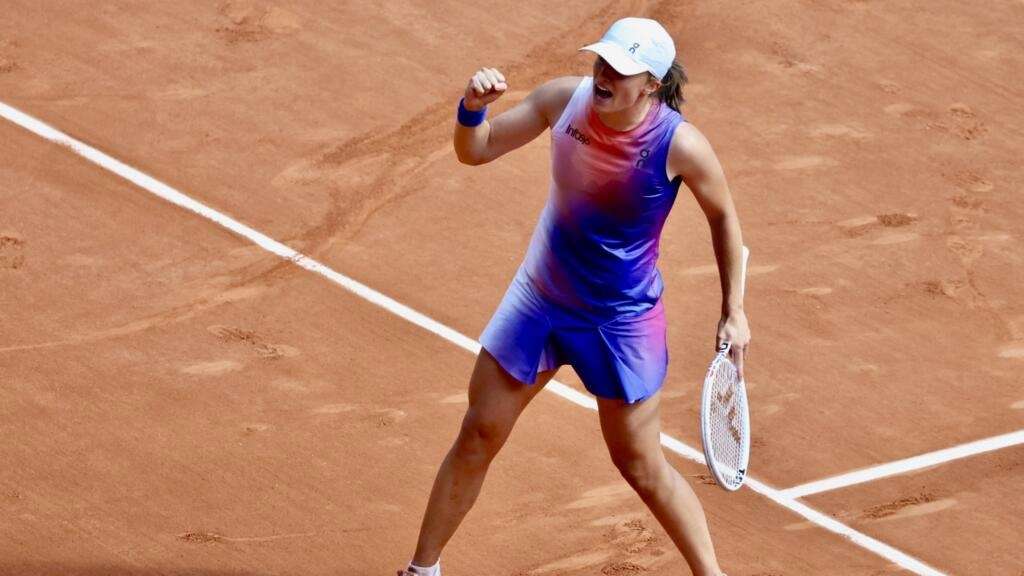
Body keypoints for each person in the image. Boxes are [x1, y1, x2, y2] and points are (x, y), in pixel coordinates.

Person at [398, 16, 749, 576]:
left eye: (622, 69)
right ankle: (422, 570)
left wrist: (735, 311)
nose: (604, 73)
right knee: (479, 431)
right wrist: (471, 109)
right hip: (540, 300)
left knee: (640, 464)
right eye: (603, 60)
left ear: (652, 84)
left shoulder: (679, 144)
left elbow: (724, 217)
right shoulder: (563, 100)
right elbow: (476, 150)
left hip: (620, 320)